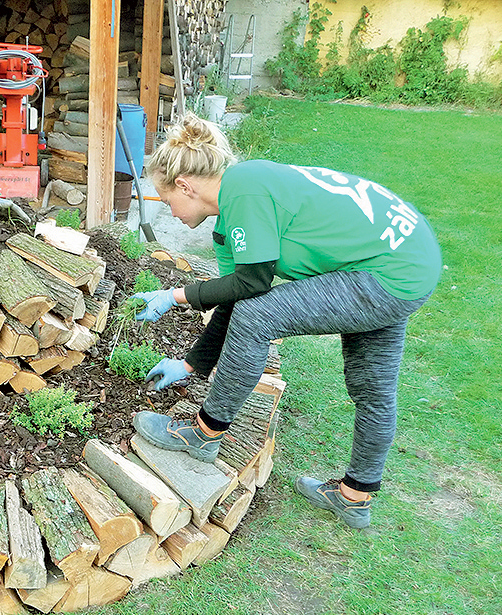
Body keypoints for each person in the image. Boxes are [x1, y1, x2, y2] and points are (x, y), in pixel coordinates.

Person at [129, 112, 441, 529]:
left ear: (185, 185)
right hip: (409, 262)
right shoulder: (236, 205)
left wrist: (174, 295)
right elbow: (237, 291)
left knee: (260, 319)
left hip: (389, 270)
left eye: (168, 201)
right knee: (372, 385)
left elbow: (252, 287)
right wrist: (192, 363)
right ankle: (355, 496)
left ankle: (203, 435)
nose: (170, 211)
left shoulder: (245, 193)